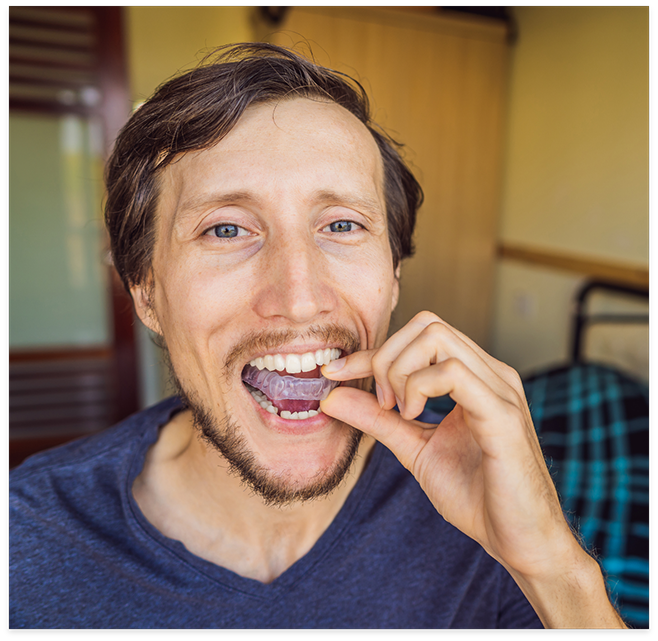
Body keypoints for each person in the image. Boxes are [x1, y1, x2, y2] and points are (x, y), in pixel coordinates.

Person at [9, 43, 626, 629]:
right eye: (226, 230)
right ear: (147, 294)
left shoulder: (478, 508)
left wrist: (552, 565)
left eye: (341, 224)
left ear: (392, 277)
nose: (300, 297)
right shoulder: (27, 541)